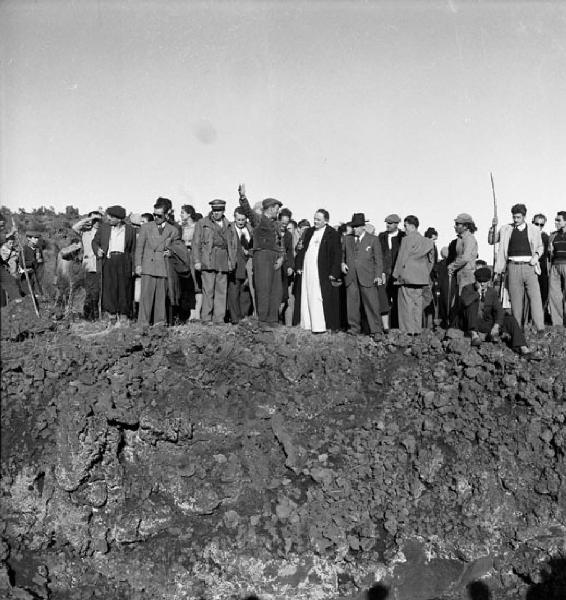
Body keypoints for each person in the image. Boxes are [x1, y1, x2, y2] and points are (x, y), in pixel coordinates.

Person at [489, 203, 545, 332]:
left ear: (524, 217)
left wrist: (536, 256)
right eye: (514, 217)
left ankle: (540, 328)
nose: (515, 220)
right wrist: (493, 227)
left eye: (518, 217)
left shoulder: (534, 229)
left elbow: (540, 247)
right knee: (515, 300)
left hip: (529, 267)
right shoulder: (505, 229)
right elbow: (492, 241)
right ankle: (517, 328)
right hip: (512, 267)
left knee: (535, 298)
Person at [460, 267, 539, 357]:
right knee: (472, 305)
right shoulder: (467, 289)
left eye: (484, 282)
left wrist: (496, 325)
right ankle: (474, 335)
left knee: (510, 320)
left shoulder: (492, 292)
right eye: (479, 282)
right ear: (475, 280)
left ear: (489, 281)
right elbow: (465, 302)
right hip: (471, 322)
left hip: (486, 322)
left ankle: (523, 348)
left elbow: (499, 310)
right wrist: (477, 294)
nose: (482, 284)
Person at [238, 184, 285, 329]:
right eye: (277, 209)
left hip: (275, 258)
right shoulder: (258, 219)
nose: (278, 211)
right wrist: (243, 197)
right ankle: (263, 320)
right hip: (262, 257)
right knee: (263, 288)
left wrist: (282, 258)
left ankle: (272, 319)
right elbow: (248, 211)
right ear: (270, 208)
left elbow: (281, 243)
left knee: (275, 289)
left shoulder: (276, 224)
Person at [192, 199, 238, 325]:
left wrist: (231, 262)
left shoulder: (229, 225)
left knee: (221, 291)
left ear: (224, 210)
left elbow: (233, 245)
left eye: (219, 210)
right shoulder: (202, 223)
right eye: (214, 210)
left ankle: (219, 319)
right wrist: (197, 260)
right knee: (208, 290)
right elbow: (196, 243)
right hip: (208, 259)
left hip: (223, 260)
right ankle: (206, 318)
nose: (216, 213)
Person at [135, 201, 180, 326]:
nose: (156, 218)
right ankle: (142, 324)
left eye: (159, 216)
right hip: (148, 266)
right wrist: (138, 265)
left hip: (163, 268)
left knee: (161, 299)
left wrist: (171, 252)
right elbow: (139, 248)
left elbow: (178, 248)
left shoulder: (173, 230)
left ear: (166, 215)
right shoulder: (146, 227)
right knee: (145, 298)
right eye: (154, 215)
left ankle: (159, 325)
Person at [341, 212, 385, 339]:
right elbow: (342, 256)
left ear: (363, 227)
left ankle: (376, 330)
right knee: (352, 305)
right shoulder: (346, 239)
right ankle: (353, 328)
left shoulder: (373, 239)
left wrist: (378, 275)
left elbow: (378, 260)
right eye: (353, 227)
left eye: (356, 227)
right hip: (351, 277)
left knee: (372, 304)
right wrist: (342, 264)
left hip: (368, 277)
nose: (354, 229)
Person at [300, 209, 342, 333]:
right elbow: (303, 249)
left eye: (318, 219)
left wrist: (334, 272)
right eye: (314, 219)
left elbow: (337, 254)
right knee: (307, 294)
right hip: (308, 269)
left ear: (326, 220)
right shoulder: (310, 232)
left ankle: (320, 326)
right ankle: (308, 324)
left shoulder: (332, 234)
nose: (315, 221)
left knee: (318, 297)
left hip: (322, 271)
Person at [92, 205, 136, 324]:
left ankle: (123, 316)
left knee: (124, 288)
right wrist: (98, 250)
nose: (108, 218)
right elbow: (95, 242)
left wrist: (133, 267)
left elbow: (133, 250)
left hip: (124, 261)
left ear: (119, 218)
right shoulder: (104, 228)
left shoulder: (130, 230)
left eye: (111, 216)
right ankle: (111, 316)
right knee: (109, 288)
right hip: (109, 260)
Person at [392, 215, 435, 335]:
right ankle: (417, 330)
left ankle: (407, 332)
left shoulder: (406, 240)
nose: (404, 229)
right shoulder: (428, 242)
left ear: (411, 226)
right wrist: (425, 272)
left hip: (406, 277)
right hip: (421, 278)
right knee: (417, 305)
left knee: (406, 305)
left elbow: (401, 258)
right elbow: (431, 261)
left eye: (405, 226)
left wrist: (396, 275)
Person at [72, 211, 103, 320]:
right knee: (89, 291)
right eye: (94, 220)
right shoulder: (85, 232)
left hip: (100, 265)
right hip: (88, 265)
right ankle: (88, 316)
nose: (96, 222)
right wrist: (88, 220)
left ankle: (97, 315)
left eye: (98, 220)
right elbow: (74, 227)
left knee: (98, 291)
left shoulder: (103, 232)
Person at [378, 213, 405, 330]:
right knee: (384, 301)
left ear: (396, 224)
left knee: (398, 300)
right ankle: (385, 327)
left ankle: (397, 326)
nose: (387, 225)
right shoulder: (381, 236)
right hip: (385, 274)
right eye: (387, 223)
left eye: (390, 223)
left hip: (397, 274)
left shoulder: (403, 237)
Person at [227, 208, 253, 324]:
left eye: (243, 220)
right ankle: (235, 319)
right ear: (234, 218)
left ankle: (244, 317)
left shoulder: (250, 229)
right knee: (234, 292)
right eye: (238, 219)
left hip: (247, 265)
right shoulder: (230, 229)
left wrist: (249, 252)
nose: (241, 222)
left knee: (245, 292)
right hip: (235, 265)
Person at [531, 213, 551, 322]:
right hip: (529, 265)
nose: (538, 226)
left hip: (542, 268)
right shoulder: (527, 234)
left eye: (541, 224)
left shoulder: (545, 237)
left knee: (543, 292)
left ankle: (541, 316)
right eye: (536, 223)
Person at [548, 211, 566, 326]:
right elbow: (550, 253)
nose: (556, 222)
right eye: (555, 220)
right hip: (555, 265)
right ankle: (558, 323)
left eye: (558, 220)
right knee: (554, 295)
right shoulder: (553, 235)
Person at [278, 208, 295, 325]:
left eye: (286, 223)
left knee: (284, 297)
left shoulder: (288, 235)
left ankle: (279, 318)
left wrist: (290, 266)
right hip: (273, 267)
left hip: (284, 269)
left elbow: (290, 252)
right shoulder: (273, 231)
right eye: (282, 223)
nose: (284, 225)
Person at [423, 227, 439, 329]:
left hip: (430, 277)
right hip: (427, 277)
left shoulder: (432, 246)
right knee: (427, 301)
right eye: (433, 239)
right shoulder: (427, 247)